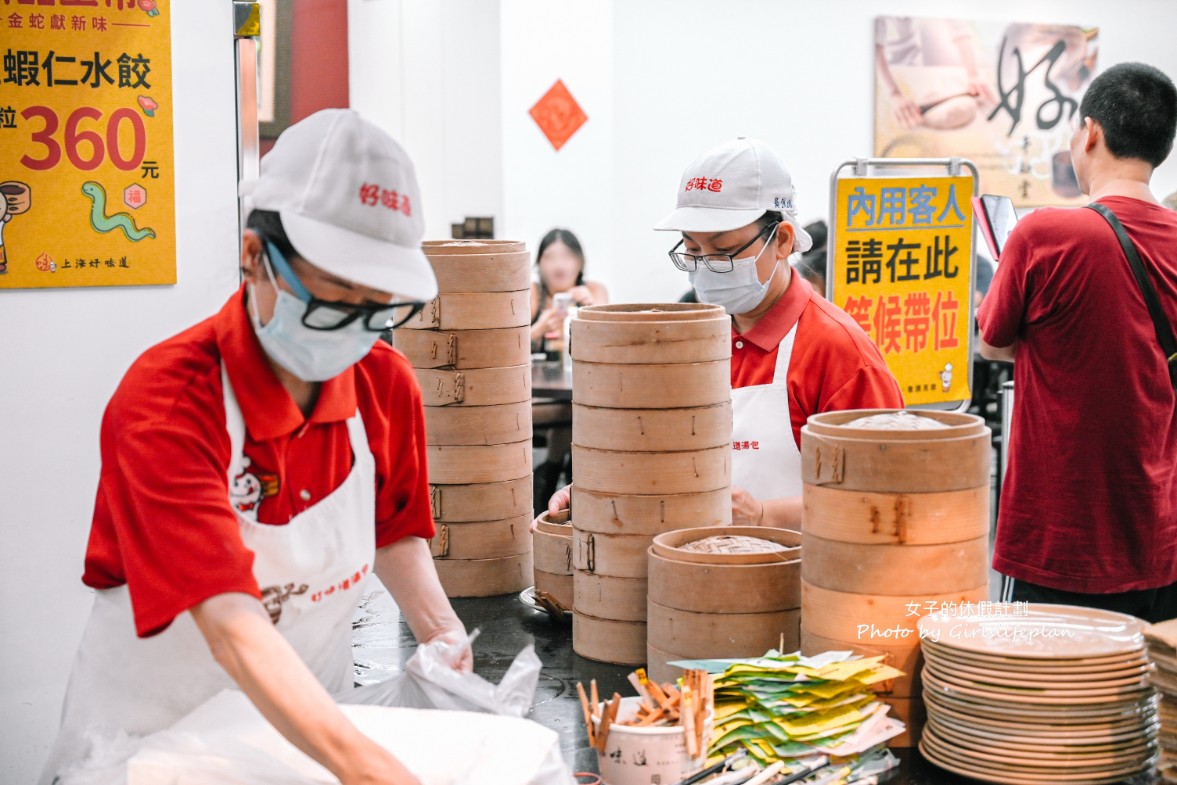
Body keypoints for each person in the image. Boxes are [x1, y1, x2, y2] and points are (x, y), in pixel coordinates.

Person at [40, 109, 469, 785]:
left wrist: (443, 638)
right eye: (336, 297)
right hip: (151, 750)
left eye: (376, 306)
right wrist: (368, 766)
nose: (356, 328)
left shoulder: (385, 386)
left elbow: (393, 532)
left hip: (308, 740)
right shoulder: (168, 399)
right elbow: (230, 622)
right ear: (253, 256)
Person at [542, 137, 903, 529]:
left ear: (781, 240)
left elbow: (888, 494)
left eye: (723, 251)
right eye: (693, 251)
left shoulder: (839, 353)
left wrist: (765, 515)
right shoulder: (690, 341)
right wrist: (595, 490)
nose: (705, 268)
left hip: (801, 582)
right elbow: (657, 453)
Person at [978, 62, 1177, 622]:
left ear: (1089, 132)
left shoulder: (1045, 234)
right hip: (1162, 535)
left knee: (1049, 703)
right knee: (1152, 704)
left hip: (1060, 540)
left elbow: (993, 343)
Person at [529, 229, 607, 512]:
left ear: (580, 262)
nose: (559, 265)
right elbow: (512, 343)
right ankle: (570, 475)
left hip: (580, 385)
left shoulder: (593, 291)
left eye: (567, 256)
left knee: (576, 407)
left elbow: (609, 339)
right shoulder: (534, 294)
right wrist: (539, 328)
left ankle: (547, 478)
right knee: (573, 410)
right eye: (550, 257)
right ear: (539, 264)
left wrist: (589, 306)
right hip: (542, 395)